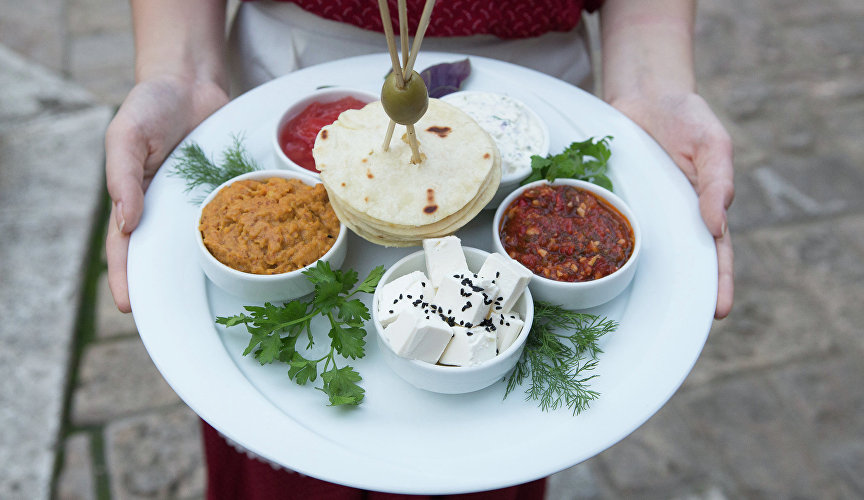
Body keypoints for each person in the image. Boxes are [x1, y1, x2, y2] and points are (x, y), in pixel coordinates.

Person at [104, 0, 735, 497]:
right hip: (289, 68)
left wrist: (656, 90)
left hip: (534, 85)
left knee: (489, 458)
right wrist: (176, 73)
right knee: (283, 472)